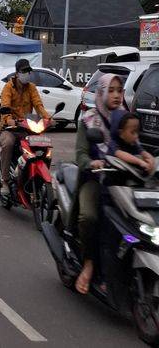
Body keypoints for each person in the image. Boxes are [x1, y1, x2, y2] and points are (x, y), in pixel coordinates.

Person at [73, 74, 127, 294]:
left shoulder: (125, 118)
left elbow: (136, 144)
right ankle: (88, 263)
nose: (115, 95)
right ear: (102, 92)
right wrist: (92, 163)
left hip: (121, 182)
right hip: (95, 180)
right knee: (90, 218)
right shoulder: (88, 119)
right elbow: (80, 154)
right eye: (111, 90)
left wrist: (146, 158)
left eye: (119, 90)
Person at [0, 59, 51, 195]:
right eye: (24, 71)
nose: (27, 74)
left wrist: (47, 118)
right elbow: (5, 105)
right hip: (10, 128)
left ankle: (35, 176)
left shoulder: (31, 87)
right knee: (8, 143)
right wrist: (8, 119)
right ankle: (5, 180)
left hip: (27, 128)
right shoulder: (8, 87)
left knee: (43, 145)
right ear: (17, 73)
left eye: (28, 71)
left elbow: (38, 105)